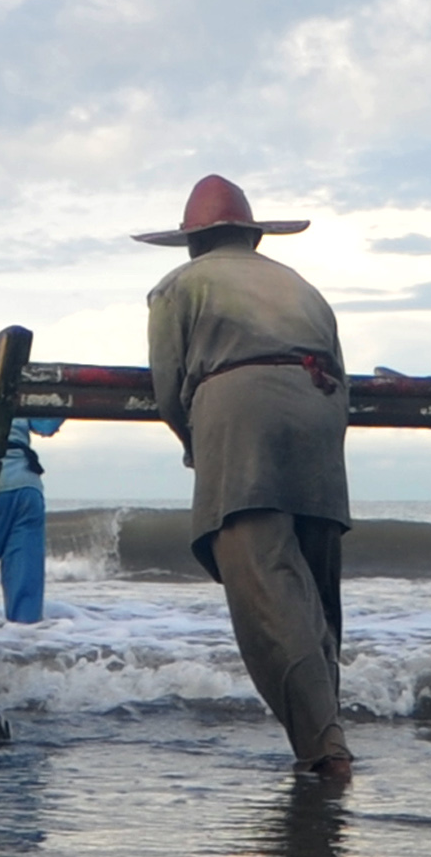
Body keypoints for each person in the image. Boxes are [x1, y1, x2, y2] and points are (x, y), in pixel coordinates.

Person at [141, 175, 355, 778]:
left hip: (242, 413)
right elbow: (342, 371)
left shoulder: (181, 284)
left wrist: (196, 445)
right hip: (322, 413)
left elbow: (167, 387)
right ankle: (326, 730)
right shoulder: (301, 287)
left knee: (265, 588)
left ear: (192, 242)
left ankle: (325, 749)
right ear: (253, 237)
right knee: (316, 594)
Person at [0, 415, 61, 623]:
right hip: (27, 486)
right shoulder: (22, 385)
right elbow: (47, 423)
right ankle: (26, 649)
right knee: (26, 591)